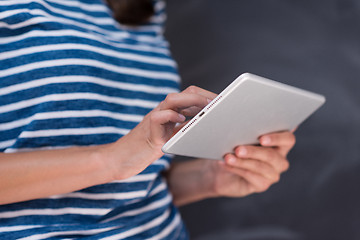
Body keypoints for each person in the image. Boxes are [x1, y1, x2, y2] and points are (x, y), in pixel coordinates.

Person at [0, 0, 295, 239]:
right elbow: (121, 161)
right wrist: (112, 159)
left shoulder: (142, 8)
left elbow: (129, 184)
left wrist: (209, 178)